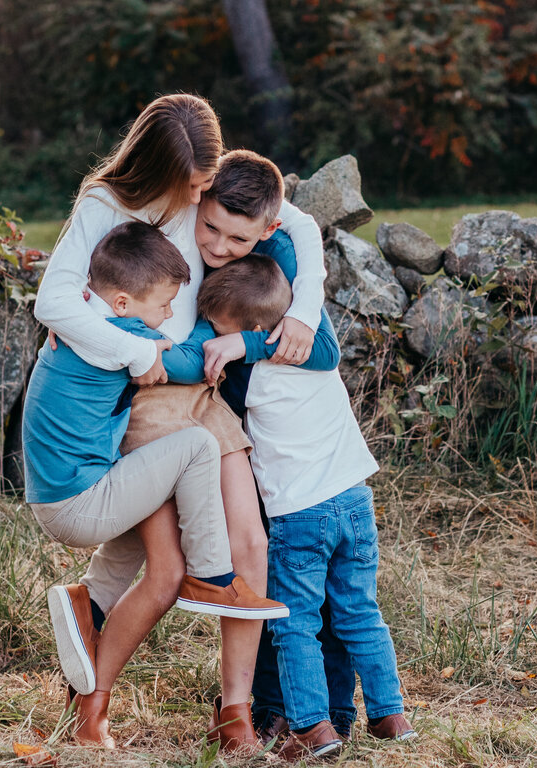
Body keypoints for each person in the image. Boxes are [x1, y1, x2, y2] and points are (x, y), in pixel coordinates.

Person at [32, 94, 334, 752]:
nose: (203, 205)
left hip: (202, 391)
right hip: (152, 392)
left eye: (205, 184)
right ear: (164, 171)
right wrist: (142, 353)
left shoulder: (209, 197)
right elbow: (55, 300)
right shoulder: (113, 207)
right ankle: (90, 706)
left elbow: (301, 229)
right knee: (163, 567)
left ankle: (235, 715)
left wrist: (304, 313)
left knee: (246, 544)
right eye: (194, 187)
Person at [24, 222, 288, 748]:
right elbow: (187, 362)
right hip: (79, 503)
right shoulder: (122, 339)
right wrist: (228, 340)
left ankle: (89, 604)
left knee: (145, 554)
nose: (172, 313)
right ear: (121, 302)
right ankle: (212, 574)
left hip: (70, 491)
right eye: (166, 304)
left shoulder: (86, 319)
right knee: (194, 447)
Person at [198, 255, 417, 760]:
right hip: (356, 499)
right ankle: (390, 714)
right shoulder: (315, 354)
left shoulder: (246, 376)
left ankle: (313, 726)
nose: (214, 335)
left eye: (220, 327)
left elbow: (211, 393)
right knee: (359, 611)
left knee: (293, 621)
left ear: (252, 332)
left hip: (301, 513)